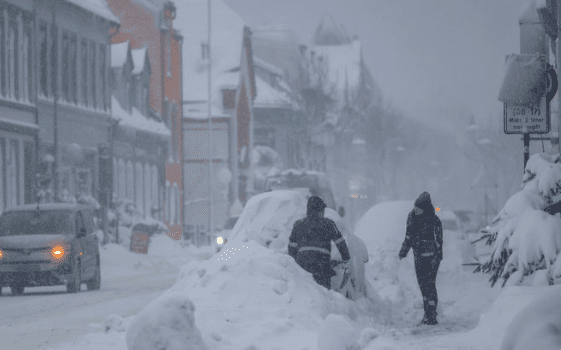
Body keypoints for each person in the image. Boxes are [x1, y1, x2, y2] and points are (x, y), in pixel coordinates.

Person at [398, 191, 443, 326]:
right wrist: (403, 251)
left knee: (428, 284)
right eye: (415, 207)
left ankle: (431, 315)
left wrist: (439, 255)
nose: (416, 210)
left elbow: (439, 239)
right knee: (426, 285)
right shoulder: (419, 217)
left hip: (428, 256)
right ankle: (429, 313)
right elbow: (409, 236)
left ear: (425, 208)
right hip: (424, 256)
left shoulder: (430, 219)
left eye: (419, 208)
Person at [289, 196, 351, 290]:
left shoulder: (298, 224)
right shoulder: (328, 224)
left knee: (305, 290)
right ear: (320, 210)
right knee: (323, 292)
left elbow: (292, 247)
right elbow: (340, 242)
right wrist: (346, 258)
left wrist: (294, 262)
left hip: (303, 262)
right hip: (321, 262)